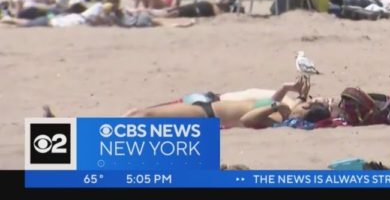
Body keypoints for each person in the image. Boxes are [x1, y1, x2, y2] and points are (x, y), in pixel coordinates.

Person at [122, 77, 332, 129]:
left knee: (145, 116)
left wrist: (277, 106)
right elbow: (266, 103)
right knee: (140, 113)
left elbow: (248, 119)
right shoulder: (282, 111)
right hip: (207, 110)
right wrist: (285, 89)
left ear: (305, 108)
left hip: (208, 114)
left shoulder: (280, 115)